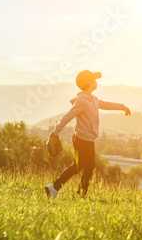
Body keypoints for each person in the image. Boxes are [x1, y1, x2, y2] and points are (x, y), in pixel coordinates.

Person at [45, 70, 131, 198]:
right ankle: (80, 194)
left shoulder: (93, 99)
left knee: (78, 167)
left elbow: (107, 105)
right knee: (89, 167)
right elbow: (67, 117)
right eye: (94, 80)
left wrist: (122, 106)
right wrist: (55, 133)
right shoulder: (82, 101)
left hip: (88, 140)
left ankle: (54, 187)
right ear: (90, 84)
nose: (96, 82)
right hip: (81, 140)